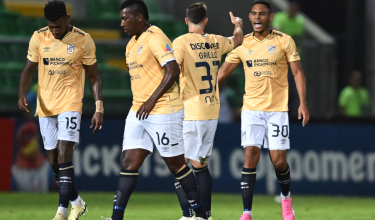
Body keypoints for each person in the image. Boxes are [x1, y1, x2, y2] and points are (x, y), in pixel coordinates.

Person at [101, 1, 208, 220]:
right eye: (121, 18)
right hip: (138, 111)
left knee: (177, 165)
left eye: (125, 18)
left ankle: (201, 215)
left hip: (163, 108)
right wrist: (144, 102)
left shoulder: (155, 37)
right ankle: (116, 218)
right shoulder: (131, 44)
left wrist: (151, 100)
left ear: (139, 17)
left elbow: (173, 69)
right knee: (128, 164)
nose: (122, 23)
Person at [218, 1, 309, 220]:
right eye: (254, 14)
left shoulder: (284, 40)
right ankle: (247, 212)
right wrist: (201, 90)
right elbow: (222, 72)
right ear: (249, 18)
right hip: (251, 109)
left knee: (278, 160)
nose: (257, 17)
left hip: (277, 109)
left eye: (262, 14)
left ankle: (286, 201)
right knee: (250, 155)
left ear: (271, 17)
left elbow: (297, 73)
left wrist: (303, 103)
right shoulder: (242, 43)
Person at [17, 1, 104, 219]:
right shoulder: (39, 37)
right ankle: (77, 202)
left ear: (68, 18)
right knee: (55, 162)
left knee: (65, 151)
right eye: (51, 26)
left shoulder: (83, 40)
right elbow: (28, 70)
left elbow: (93, 77)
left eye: (58, 26)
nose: (54, 31)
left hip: (71, 103)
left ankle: (61, 211)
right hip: (45, 105)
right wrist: (21, 94)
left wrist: (99, 107)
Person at [171, 3, 243, 219]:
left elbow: (171, 68)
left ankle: (188, 214)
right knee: (200, 165)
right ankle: (206, 215)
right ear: (206, 21)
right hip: (212, 110)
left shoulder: (181, 42)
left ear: (186, 21)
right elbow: (237, 40)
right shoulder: (216, 41)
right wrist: (238, 25)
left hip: (191, 109)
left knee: (180, 166)